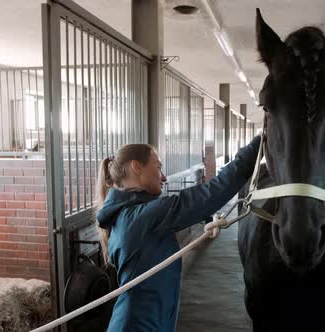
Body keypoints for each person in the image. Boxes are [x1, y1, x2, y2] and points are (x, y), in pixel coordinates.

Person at [94, 136, 261, 332]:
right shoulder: (142, 217)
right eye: (158, 167)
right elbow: (210, 194)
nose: (163, 177)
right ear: (136, 167)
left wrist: (205, 218)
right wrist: (257, 145)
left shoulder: (127, 215)